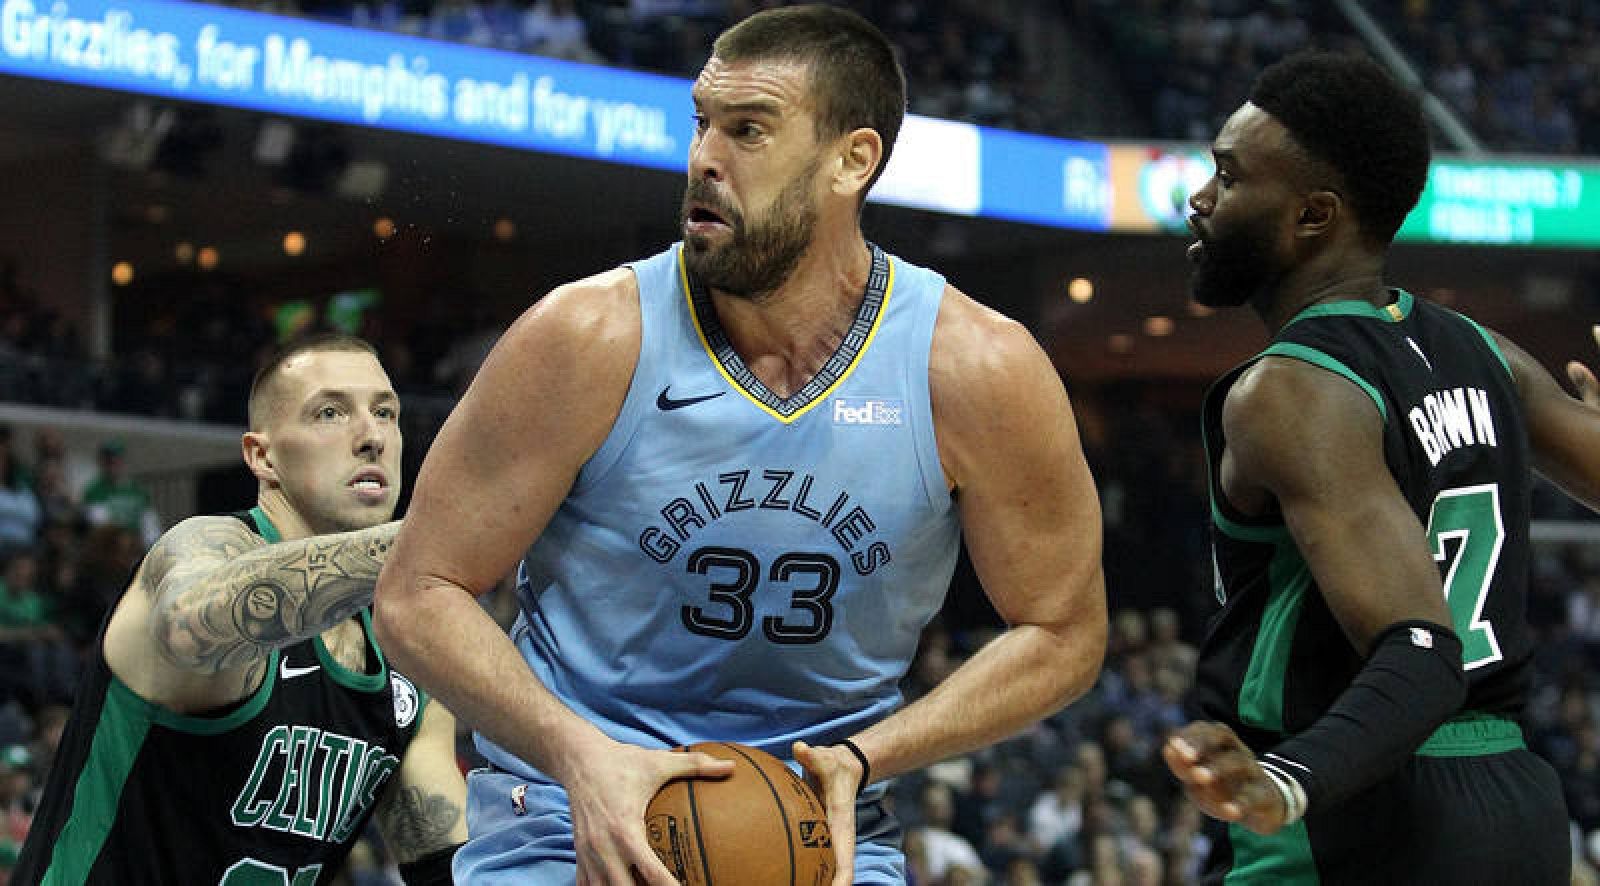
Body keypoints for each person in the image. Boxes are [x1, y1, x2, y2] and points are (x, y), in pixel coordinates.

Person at [372, 5, 1108, 884]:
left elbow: (1063, 629)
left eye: (749, 130)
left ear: (853, 160)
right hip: (571, 822)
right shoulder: (587, 335)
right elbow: (418, 592)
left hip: (821, 827)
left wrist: (869, 755)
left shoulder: (976, 367)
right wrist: (576, 753)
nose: (704, 160)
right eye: (702, 124)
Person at [1161, 50, 1600, 884]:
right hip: (1516, 804)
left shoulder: (1290, 391)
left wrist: (1289, 780)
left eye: (1229, 175)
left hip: (1360, 809)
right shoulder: (1485, 352)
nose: (1201, 199)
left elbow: (1423, 651)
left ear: (1313, 216)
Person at [14, 334, 467, 885]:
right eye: (330, 412)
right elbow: (190, 623)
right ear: (262, 455)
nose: (372, 436)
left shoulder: (409, 653)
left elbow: (445, 865)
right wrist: (444, 536)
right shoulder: (201, 546)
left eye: (385, 413)